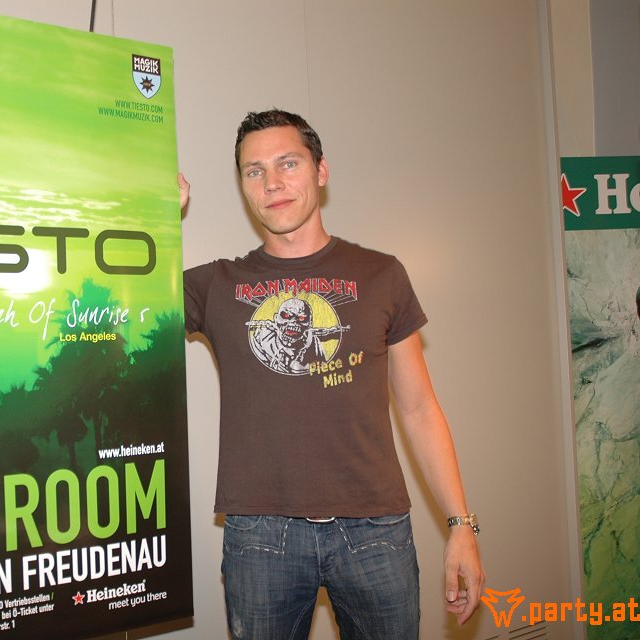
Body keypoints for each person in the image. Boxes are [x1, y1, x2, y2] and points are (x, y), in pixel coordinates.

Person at [180, 109, 484, 639]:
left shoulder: (382, 274)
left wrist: (461, 525)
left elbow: (419, 408)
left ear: (321, 170)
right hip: (261, 536)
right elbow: (114, 308)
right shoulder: (215, 286)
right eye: (254, 171)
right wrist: (154, 220)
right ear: (243, 185)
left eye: (288, 163)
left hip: (375, 531)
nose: (272, 183)